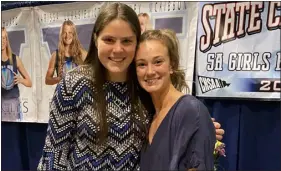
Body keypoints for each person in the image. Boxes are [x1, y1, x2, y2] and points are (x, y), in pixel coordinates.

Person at [38, 3, 224, 171]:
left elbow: (169, 120)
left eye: (126, 41)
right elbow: (54, 154)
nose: (118, 49)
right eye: (109, 40)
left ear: (136, 42)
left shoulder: (144, 85)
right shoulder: (74, 83)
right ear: (96, 39)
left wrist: (198, 128)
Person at [136, 29, 216, 170]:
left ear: (172, 65)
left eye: (158, 62)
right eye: (142, 64)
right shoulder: (148, 117)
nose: (149, 71)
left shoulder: (190, 110)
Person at [1, 27, 32, 121]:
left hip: (12, 102)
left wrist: (21, 80)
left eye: (3, 38)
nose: (1, 41)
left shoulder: (15, 59)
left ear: (6, 40)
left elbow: (29, 83)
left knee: (10, 131)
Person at [45, 20, 87, 85]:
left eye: (70, 32)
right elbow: (47, 80)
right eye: (65, 32)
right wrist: (59, 79)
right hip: (63, 94)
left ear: (74, 34)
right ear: (61, 34)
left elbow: (92, 74)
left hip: (79, 93)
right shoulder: (56, 55)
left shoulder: (82, 53)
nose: (67, 36)